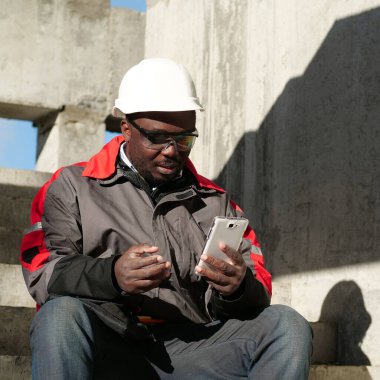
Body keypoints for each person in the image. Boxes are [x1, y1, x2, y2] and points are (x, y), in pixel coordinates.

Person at [20, 58, 312, 379]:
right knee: (60, 316)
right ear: (126, 128)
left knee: (287, 325)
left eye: (184, 138)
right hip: (106, 344)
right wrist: (113, 275)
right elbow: (42, 271)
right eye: (157, 138)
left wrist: (238, 289)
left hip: (192, 351)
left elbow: (260, 285)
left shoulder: (217, 202)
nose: (172, 151)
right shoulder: (71, 186)